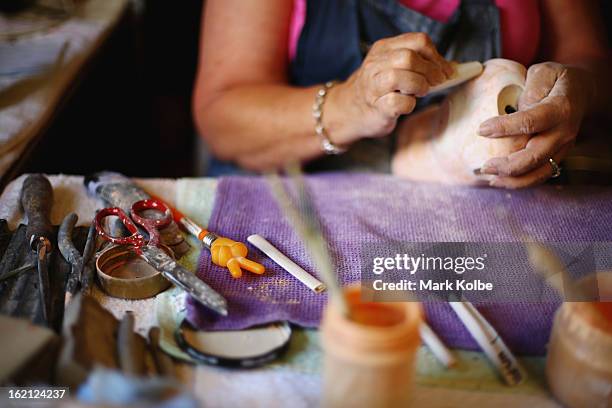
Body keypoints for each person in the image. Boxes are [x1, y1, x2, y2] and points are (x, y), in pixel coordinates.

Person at [192, 0, 609, 188]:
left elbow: (591, 59)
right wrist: (349, 105)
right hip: (307, 200)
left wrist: (578, 92)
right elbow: (221, 114)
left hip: (482, 213)